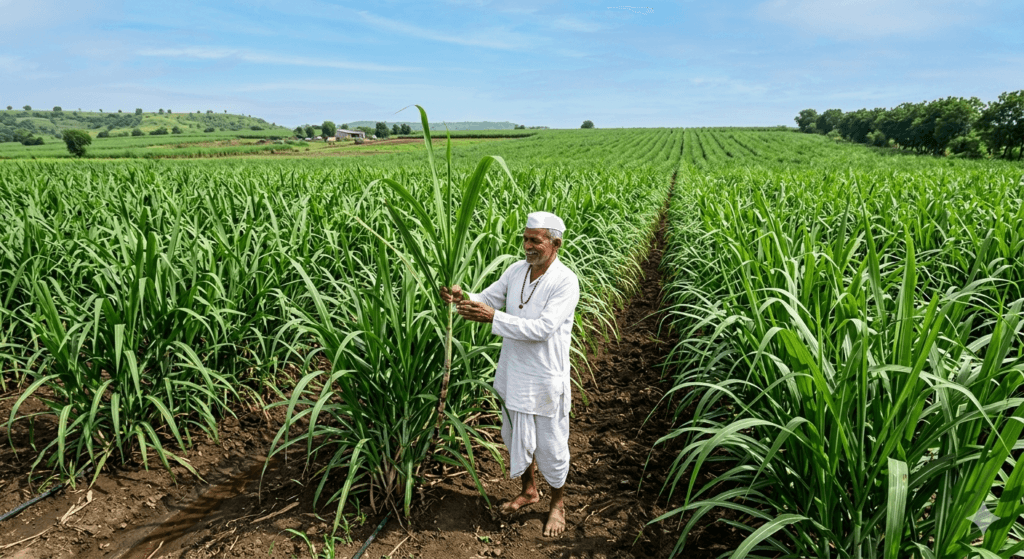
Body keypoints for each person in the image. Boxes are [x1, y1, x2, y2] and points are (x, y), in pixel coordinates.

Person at [440, 211, 580, 538]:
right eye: (525, 239)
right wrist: (464, 298)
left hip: (544, 379)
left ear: (556, 243)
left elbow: (543, 329)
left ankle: (557, 504)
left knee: (552, 447)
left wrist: (494, 318)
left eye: (535, 240)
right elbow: (488, 299)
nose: (527, 246)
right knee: (516, 436)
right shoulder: (517, 271)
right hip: (514, 373)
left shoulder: (565, 281)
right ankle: (529, 490)